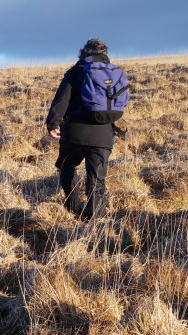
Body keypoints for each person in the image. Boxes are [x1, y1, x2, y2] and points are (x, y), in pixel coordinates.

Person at [46, 38, 126, 220]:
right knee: (97, 179)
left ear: (83, 52)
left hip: (75, 134)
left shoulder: (75, 72)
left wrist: (52, 123)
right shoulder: (113, 73)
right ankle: (95, 219)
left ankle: (74, 206)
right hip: (104, 135)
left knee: (66, 166)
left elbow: (62, 100)